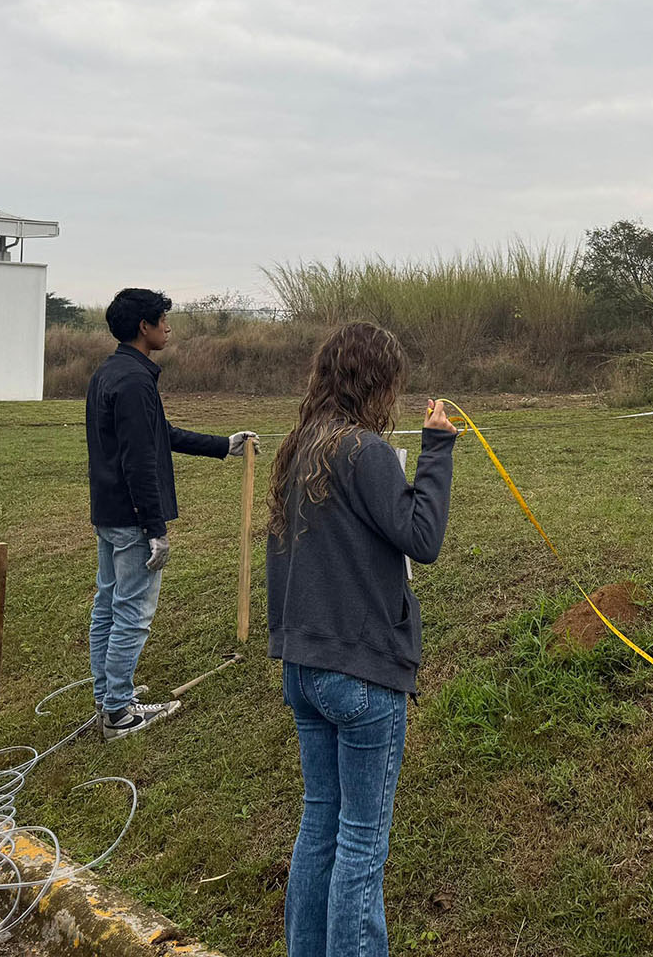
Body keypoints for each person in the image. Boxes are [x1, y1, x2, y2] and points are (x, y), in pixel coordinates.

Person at [265, 322, 459, 957]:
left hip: (304, 666)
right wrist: (436, 449)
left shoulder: (301, 447)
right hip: (361, 674)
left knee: (320, 823)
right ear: (377, 384)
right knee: (360, 840)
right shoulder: (363, 450)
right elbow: (422, 538)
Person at [86, 288, 257, 740]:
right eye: (164, 319)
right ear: (144, 326)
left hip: (108, 513)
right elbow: (139, 461)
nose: (169, 327)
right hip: (131, 518)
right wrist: (155, 529)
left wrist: (223, 445)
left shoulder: (111, 372)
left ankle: (108, 697)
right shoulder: (135, 381)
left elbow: (159, 434)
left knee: (108, 606)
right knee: (132, 613)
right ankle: (119, 714)